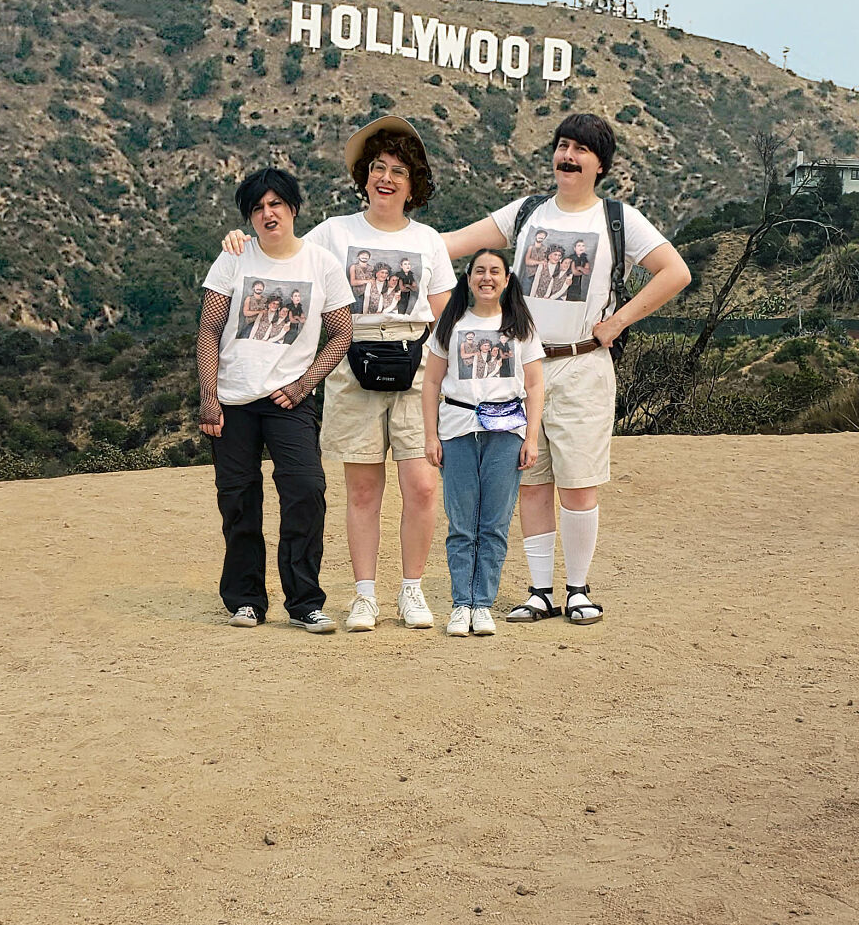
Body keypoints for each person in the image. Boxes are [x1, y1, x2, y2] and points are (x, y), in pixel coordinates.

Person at [442, 113, 691, 625]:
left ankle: (578, 588)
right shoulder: (527, 212)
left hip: (582, 364)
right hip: (520, 367)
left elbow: (676, 271)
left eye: (580, 149)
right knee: (531, 481)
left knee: (578, 483)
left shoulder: (618, 220)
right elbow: (449, 244)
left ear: (601, 164)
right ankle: (540, 590)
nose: (568, 156)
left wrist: (618, 322)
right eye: (562, 146)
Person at [222, 118, 456, 632]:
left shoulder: (429, 240)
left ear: (413, 184)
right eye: (378, 169)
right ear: (364, 177)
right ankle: (365, 595)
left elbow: (445, 315)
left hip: (415, 363)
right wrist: (240, 240)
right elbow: (283, 254)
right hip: (352, 367)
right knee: (363, 489)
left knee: (420, 486)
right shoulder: (334, 232)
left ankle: (412, 590)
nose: (386, 179)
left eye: (398, 171)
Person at [198, 167, 353, 632]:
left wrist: (304, 385)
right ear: (250, 217)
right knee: (239, 499)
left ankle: (304, 600)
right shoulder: (234, 259)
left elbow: (341, 333)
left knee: (307, 490)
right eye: (258, 208)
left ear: (293, 209)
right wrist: (210, 398)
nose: (268, 214)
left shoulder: (321, 263)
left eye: (276, 205)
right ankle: (245, 598)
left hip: (290, 401)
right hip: (234, 399)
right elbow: (209, 327)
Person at [422, 249, 544, 637]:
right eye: (479, 271)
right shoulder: (451, 324)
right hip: (458, 429)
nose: (487, 278)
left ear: (507, 279)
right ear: (468, 278)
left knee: (494, 524)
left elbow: (536, 384)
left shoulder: (520, 326)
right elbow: (431, 382)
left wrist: (531, 436)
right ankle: (461, 604)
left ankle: (483, 604)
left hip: (506, 432)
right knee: (461, 524)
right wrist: (430, 435)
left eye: (495, 271)